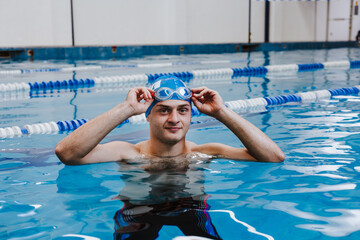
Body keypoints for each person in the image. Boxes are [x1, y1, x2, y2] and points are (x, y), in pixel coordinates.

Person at [55, 75, 285, 165]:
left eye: (183, 110)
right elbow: (67, 153)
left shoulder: (206, 152)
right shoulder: (128, 153)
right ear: (148, 115)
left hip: (192, 210)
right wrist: (126, 108)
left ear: (191, 115)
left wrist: (221, 112)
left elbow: (274, 157)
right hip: (139, 212)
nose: (174, 119)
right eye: (164, 110)